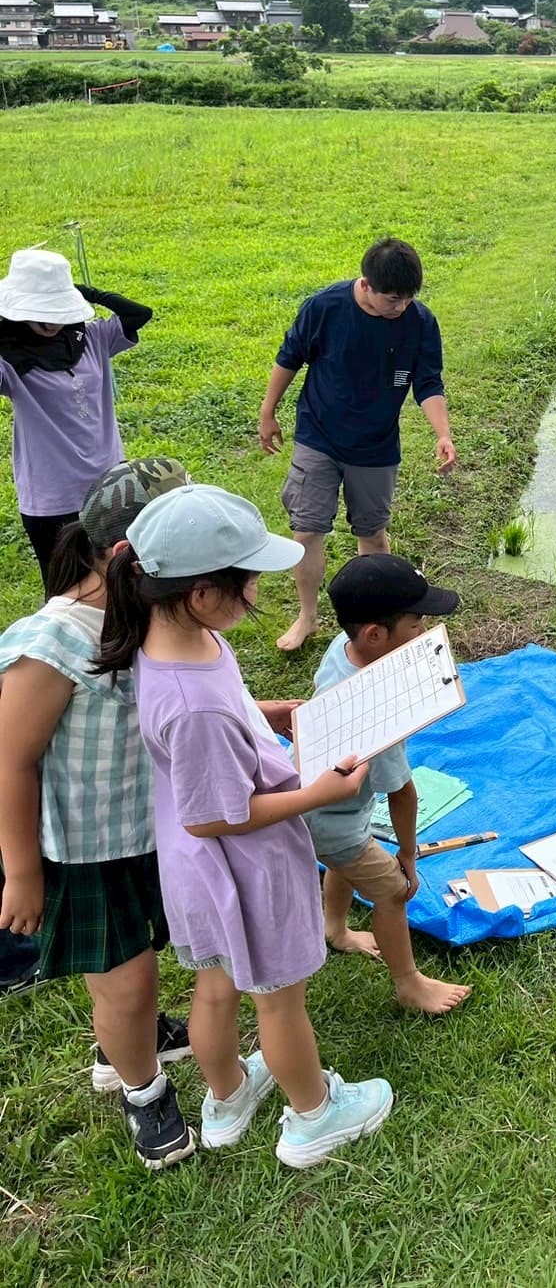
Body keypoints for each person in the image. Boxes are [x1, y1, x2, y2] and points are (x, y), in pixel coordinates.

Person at [97, 484, 394, 1169]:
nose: (260, 585)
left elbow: (214, 725)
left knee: (218, 983)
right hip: (242, 866)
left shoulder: (174, 636)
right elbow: (214, 816)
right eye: (250, 578)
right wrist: (316, 791)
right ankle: (314, 1115)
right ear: (202, 593)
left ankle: (228, 1098)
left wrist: (270, 711)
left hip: (200, 868)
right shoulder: (190, 699)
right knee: (280, 1001)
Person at [0, 458, 194, 1168]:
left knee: (134, 965)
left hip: (143, 826)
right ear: (124, 557)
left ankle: (128, 1035)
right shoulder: (50, 644)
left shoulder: (141, 613)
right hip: (83, 849)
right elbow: (11, 761)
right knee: (127, 976)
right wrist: (21, 872)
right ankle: (140, 1088)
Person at [259, 238, 456, 652]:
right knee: (307, 530)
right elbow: (289, 357)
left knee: (373, 535)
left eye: (408, 299)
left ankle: (374, 622)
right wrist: (268, 412)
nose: (401, 307)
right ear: (366, 285)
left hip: (377, 446)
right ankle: (307, 617)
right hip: (319, 436)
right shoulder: (326, 308)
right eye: (393, 299)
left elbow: (428, 383)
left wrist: (443, 433)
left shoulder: (420, 322)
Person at [308, 554, 472, 1015]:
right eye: (417, 626)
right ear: (376, 636)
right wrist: (405, 855)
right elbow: (402, 793)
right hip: (331, 821)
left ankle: (334, 929)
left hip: (334, 810)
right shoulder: (373, 714)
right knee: (392, 890)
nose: (424, 635)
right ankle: (409, 982)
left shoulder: (344, 650)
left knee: (343, 864)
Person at [0, 249, 153, 587]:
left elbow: (140, 314)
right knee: (65, 591)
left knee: (124, 581)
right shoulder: (9, 358)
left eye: (58, 308)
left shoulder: (91, 337)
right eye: (42, 310)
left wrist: (87, 293)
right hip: (51, 494)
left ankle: (121, 641)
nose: (53, 320)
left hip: (112, 484)